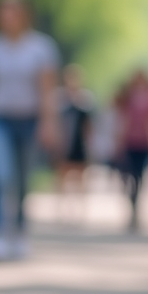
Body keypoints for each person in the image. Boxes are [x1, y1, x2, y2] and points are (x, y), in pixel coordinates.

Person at [0, 0, 60, 262]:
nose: (7, 17)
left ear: (24, 15)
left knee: (21, 181)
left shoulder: (41, 49)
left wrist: (48, 123)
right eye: (3, 12)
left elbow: (46, 91)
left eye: (12, 12)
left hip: (29, 121)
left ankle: (19, 232)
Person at [117, 68, 148, 232]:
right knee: (128, 176)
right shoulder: (128, 98)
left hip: (144, 143)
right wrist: (119, 142)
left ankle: (136, 207)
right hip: (129, 142)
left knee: (140, 176)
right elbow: (123, 120)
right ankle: (132, 203)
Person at [56, 64, 94, 201]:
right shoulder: (60, 99)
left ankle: (79, 204)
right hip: (64, 142)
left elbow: (88, 125)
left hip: (79, 142)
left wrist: (90, 144)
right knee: (62, 174)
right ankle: (62, 204)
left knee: (81, 175)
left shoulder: (85, 99)